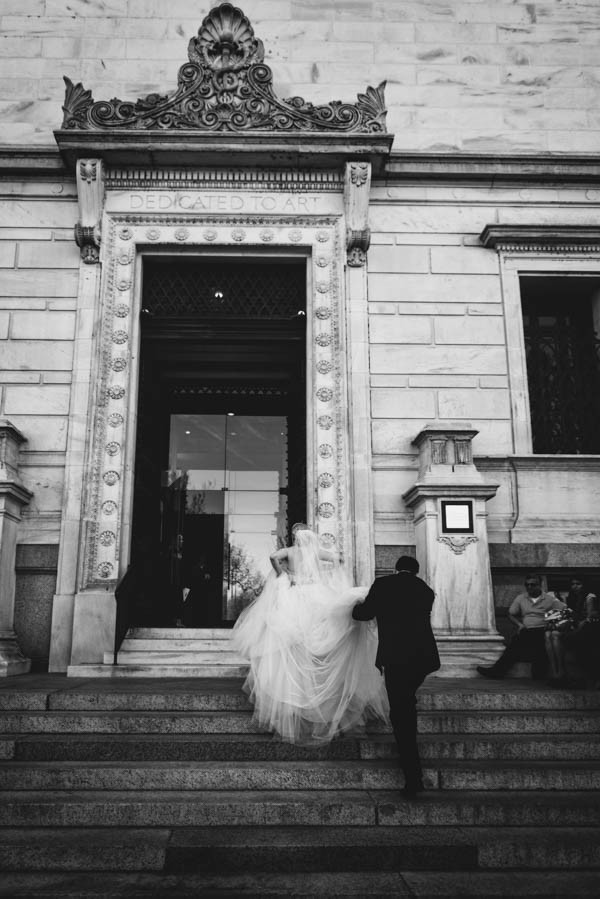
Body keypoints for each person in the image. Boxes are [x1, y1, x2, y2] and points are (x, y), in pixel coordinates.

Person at [231, 523, 389, 744]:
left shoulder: (291, 552)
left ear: (297, 538)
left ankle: (297, 687)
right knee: (320, 633)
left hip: (296, 591)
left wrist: (283, 572)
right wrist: (325, 573)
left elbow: (273, 556)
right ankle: (318, 681)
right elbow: (339, 559)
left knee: (293, 638)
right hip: (317, 591)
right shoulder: (317, 552)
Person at [352, 555, 440, 799]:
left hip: (396, 657)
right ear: (416, 570)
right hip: (423, 658)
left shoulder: (383, 585)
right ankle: (407, 710)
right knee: (406, 701)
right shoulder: (426, 590)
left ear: (396, 568)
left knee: (401, 713)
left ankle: (413, 777)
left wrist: (354, 606)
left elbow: (364, 614)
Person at [477, 574, 566, 680]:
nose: (529, 587)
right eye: (527, 585)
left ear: (540, 585)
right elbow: (510, 613)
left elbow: (564, 610)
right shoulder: (521, 598)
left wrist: (553, 623)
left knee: (541, 644)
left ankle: (539, 673)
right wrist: (519, 624)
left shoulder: (549, 599)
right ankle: (496, 672)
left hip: (543, 628)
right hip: (527, 629)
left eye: (533, 585)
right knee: (514, 644)